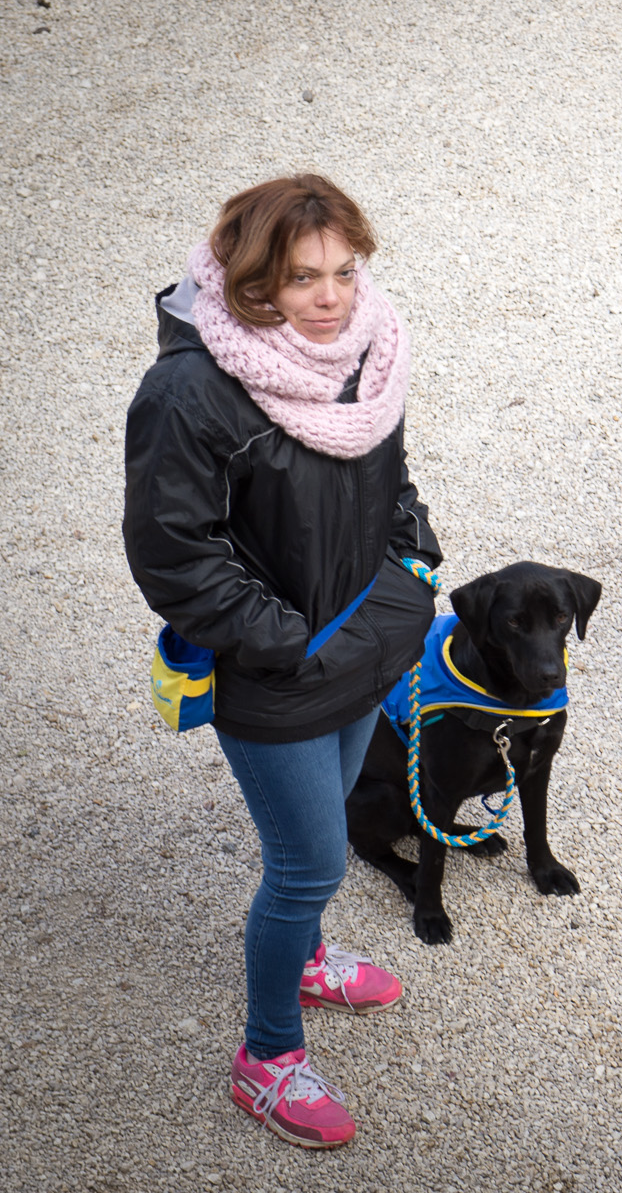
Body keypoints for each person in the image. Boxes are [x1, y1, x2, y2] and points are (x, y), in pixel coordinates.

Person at [123, 175, 442, 1148]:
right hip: (278, 673)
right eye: (303, 278)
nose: (332, 297)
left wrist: (413, 563)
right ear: (250, 279)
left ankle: (303, 958)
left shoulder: (364, 347)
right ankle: (266, 1057)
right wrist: (286, 640)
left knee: (330, 820)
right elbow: (173, 553)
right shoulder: (189, 391)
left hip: (363, 639)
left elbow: (387, 472)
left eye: (345, 270)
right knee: (307, 863)